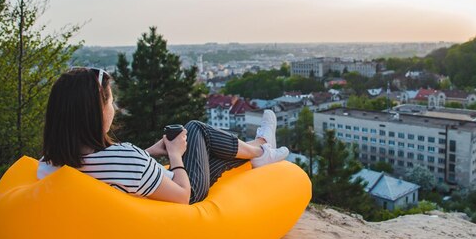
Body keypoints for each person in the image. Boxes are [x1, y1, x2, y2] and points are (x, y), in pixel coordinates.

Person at [37, 67, 289, 204]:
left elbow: (112, 169)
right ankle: (261, 148)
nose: (113, 109)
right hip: (185, 191)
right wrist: (174, 154)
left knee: (206, 145)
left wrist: (150, 152)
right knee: (196, 129)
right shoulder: (125, 159)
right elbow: (181, 194)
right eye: (110, 103)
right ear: (95, 113)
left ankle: (259, 148)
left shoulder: (49, 162)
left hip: (154, 185)